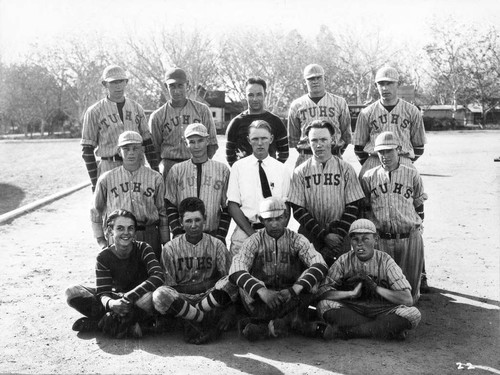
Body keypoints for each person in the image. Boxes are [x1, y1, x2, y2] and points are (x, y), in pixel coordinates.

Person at [229, 197, 331, 341]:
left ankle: (267, 327)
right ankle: (293, 324)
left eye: (279, 218)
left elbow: (319, 264)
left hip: (290, 296)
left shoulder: (296, 239)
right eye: (269, 220)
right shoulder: (254, 240)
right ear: (261, 219)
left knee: (316, 278)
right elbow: (236, 269)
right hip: (262, 300)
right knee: (240, 283)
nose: (275, 224)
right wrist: (262, 291)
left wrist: (294, 289)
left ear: (286, 217)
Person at [65, 209, 165, 338]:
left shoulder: (143, 248)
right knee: (72, 292)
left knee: (149, 299)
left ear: (135, 231)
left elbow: (158, 275)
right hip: (117, 299)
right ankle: (124, 324)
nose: (126, 233)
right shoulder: (103, 256)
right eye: (120, 228)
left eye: (130, 228)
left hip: (138, 298)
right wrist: (111, 303)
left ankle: (101, 324)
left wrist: (129, 296)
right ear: (110, 231)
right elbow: (103, 292)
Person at [316, 219, 421, 340]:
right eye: (355, 239)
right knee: (323, 306)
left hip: (382, 310)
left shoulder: (385, 261)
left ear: (375, 240)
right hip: (354, 310)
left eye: (366, 238)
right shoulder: (343, 261)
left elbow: (407, 299)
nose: (360, 243)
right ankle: (382, 329)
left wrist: (375, 287)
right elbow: (322, 293)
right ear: (351, 242)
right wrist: (351, 293)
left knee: (413, 314)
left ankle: (350, 332)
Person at [152, 197, 236, 344]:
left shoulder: (217, 245)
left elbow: (226, 279)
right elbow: (170, 286)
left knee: (231, 282)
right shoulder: (170, 248)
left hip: (209, 297)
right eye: (188, 221)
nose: (193, 225)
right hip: (182, 298)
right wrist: (201, 286)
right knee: (159, 295)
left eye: (197, 220)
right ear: (180, 222)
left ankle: (190, 319)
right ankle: (205, 321)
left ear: (205, 219)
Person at [359, 131, 427, 303]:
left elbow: (419, 202)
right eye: (381, 152)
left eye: (389, 151)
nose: (385, 156)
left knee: (410, 291)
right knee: (385, 289)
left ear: (398, 149)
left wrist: (419, 225)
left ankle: (407, 322)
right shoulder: (368, 177)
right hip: (382, 239)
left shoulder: (411, 173)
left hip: (409, 238)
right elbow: (365, 208)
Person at [288, 120, 365, 266]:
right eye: (314, 140)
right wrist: (324, 235)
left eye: (323, 139)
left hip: (341, 234)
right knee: (310, 277)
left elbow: (354, 205)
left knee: (342, 278)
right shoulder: (300, 171)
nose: (319, 144)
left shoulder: (346, 168)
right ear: (308, 142)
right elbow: (298, 210)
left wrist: (338, 234)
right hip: (310, 234)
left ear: (333, 140)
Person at [91, 131, 169, 259]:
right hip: (118, 235)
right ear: (118, 151)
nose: (131, 153)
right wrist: (100, 239)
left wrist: (165, 242)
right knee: (120, 277)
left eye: (135, 148)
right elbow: (95, 210)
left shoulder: (155, 178)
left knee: (150, 275)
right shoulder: (107, 179)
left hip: (148, 233)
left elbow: (162, 212)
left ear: (142, 150)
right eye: (126, 149)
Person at [81, 64, 159, 191]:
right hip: (109, 166)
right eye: (113, 82)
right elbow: (87, 150)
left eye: (121, 81)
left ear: (126, 82)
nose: (118, 86)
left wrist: (156, 172)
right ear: (105, 84)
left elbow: (148, 143)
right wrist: (95, 182)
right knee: (110, 209)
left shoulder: (136, 108)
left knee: (139, 207)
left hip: (137, 166)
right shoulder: (94, 111)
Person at [226, 120, 291, 257]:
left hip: (275, 231)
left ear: (271, 139)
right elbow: (232, 205)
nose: (260, 143)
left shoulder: (281, 169)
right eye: (255, 139)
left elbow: (286, 205)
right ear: (249, 140)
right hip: (245, 230)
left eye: (264, 138)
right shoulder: (238, 167)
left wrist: (277, 233)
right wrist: (252, 235)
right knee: (238, 273)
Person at [353, 66, 427, 178]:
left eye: (389, 83)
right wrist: (369, 164)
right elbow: (358, 147)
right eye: (381, 84)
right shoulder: (366, 113)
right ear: (375, 86)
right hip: (374, 161)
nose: (384, 88)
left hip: (403, 159)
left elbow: (419, 146)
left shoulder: (412, 111)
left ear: (398, 84)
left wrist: (405, 162)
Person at [148, 67, 219, 181]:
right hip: (169, 166)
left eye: (180, 85)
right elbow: (154, 150)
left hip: (196, 164)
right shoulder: (157, 116)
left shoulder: (202, 110)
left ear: (188, 85)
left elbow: (212, 143)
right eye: (172, 86)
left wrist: (201, 162)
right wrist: (157, 173)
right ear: (166, 87)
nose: (176, 91)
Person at [165, 123, 230, 243]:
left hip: (213, 233)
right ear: (186, 143)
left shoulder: (222, 169)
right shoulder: (177, 170)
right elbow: (170, 204)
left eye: (200, 140)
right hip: (184, 236)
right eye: (192, 142)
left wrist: (221, 235)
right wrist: (177, 232)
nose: (196, 146)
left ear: (207, 141)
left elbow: (227, 207)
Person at [288, 63, 351, 167]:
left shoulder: (340, 102)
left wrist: (335, 150)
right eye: (311, 79)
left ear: (324, 79)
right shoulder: (296, 105)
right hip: (306, 156)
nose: (315, 81)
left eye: (318, 78)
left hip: (333, 154)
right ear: (305, 82)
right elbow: (293, 139)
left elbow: (346, 136)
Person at [225, 77, 289, 166]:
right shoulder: (236, 123)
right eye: (251, 95)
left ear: (265, 94)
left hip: (270, 175)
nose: (255, 99)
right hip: (245, 175)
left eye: (259, 94)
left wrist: (273, 169)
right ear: (245, 95)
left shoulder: (276, 121)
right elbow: (229, 154)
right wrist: (240, 170)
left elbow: (284, 152)